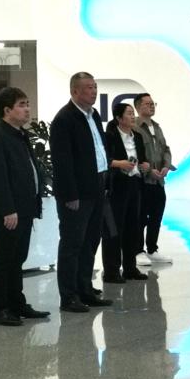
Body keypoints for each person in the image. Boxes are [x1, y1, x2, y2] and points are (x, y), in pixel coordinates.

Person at [50, 72, 129, 312]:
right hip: (77, 192)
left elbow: (99, 150)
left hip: (97, 186)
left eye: (95, 87)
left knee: (91, 241)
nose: (94, 91)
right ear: (75, 91)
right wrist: (70, 195)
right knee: (72, 243)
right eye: (88, 88)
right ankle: (68, 296)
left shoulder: (93, 115)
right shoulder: (64, 119)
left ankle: (85, 289)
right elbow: (62, 161)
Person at [0, 87, 48, 326]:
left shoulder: (20, 134)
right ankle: (1, 309)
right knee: (4, 258)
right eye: (21, 104)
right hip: (10, 211)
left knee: (18, 257)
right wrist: (8, 209)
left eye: (27, 103)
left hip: (25, 207)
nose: (27, 109)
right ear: (7, 110)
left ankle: (17, 304)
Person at [102, 102, 149, 283]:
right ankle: (111, 271)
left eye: (132, 113)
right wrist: (119, 163)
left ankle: (130, 268)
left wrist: (145, 165)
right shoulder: (110, 136)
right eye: (129, 113)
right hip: (117, 186)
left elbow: (142, 159)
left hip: (135, 184)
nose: (132, 116)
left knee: (133, 228)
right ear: (119, 118)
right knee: (114, 229)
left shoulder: (138, 136)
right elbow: (103, 159)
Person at [133, 93, 173, 266]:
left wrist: (166, 166)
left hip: (159, 181)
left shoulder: (157, 127)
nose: (151, 106)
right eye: (147, 104)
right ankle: (137, 251)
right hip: (143, 182)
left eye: (153, 103)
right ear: (138, 106)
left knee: (157, 216)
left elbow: (166, 149)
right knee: (140, 217)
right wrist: (149, 171)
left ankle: (152, 249)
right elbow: (134, 153)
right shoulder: (134, 127)